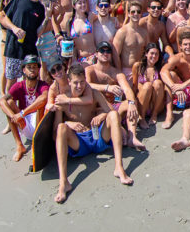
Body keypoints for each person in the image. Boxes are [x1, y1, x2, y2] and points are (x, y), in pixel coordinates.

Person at [52, 64, 133, 203]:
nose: (79, 86)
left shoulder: (93, 94)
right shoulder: (62, 100)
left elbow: (111, 111)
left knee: (113, 115)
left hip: (97, 137)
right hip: (79, 142)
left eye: (82, 82)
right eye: (75, 82)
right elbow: (55, 134)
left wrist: (101, 116)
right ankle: (63, 182)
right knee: (61, 128)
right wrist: (68, 123)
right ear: (69, 81)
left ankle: (119, 167)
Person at [86, 41, 145, 149]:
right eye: (102, 51)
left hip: (114, 106)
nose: (105, 53)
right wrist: (107, 87)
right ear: (96, 54)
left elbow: (127, 89)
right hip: (97, 109)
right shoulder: (89, 70)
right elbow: (86, 85)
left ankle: (132, 137)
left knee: (130, 103)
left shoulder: (116, 73)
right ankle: (120, 129)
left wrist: (132, 103)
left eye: (108, 51)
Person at [0, 0, 48, 93]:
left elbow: (38, 32)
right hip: (14, 48)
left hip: (30, 49)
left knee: (30, 81)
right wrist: (14, 28)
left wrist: (47, 18)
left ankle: (26, 103)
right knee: (12, 82)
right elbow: (2, 16)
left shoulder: (40, 8)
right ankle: (9, 103)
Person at [0, 55, 50, 161]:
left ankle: (37, 144)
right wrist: (14, 117)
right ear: (24, 70)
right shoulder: (19, 86)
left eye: (35, 67)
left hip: (39, 124)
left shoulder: (43, 85)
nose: (32, 70)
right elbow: (1, 101)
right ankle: (19, 146)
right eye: (29, 67)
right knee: (9, 103)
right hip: (23, 122)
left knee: (41, 105)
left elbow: (44, 98)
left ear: (38, 69)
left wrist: (22, 113)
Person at [161, 31, 190, 112]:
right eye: (185, 44)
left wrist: (184, 85)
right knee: (171, 75)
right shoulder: (176, 58)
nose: (188, 47)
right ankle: (169, 113)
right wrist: (175, 88)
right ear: (180, 46)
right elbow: (163, 72)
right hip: (180, 92)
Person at [131, 43, 168, 129]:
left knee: (158, 83)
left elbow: (163, 88)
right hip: (142, 102)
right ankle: (142, 117)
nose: (154, 56)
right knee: (147, 85)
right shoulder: (137, 66)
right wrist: (132, 103)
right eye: (152, 53)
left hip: (155, 104)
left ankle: (154, 114)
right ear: (146, 54)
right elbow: (134, 86)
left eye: (156, 54)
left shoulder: (160, 67)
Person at [112, 1, 148, 79]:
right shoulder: (122, 32)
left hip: (140, 70)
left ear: (141, 14)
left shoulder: (144, 32)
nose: (136, 14)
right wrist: (120, 73)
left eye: (138, 12)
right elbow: (115, 54)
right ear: (128, 14)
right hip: (126, 71)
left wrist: (144, 68)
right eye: (133, 12)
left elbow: (147, 52)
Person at [0, 0, 15, 94]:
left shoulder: (15, 12)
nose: (9, 2)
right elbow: (7, 24)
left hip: (15, 44)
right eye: (7, 0)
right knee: (5, 70)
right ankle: (2, 92)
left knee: (13, 71)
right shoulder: (2, 14)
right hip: (5, 43)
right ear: (3, 2)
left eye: (11, 0)